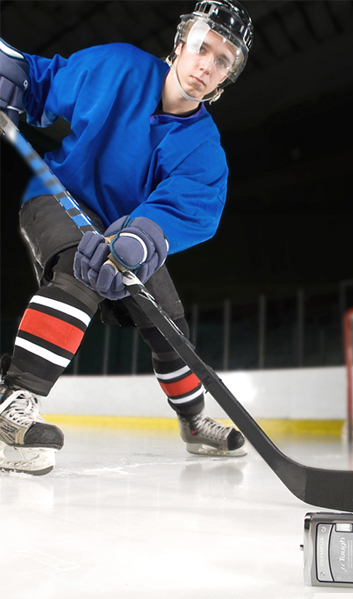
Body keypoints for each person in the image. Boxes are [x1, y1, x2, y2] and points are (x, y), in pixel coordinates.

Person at [0, 1, 254, 474]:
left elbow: (184, 208)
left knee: (168, 319)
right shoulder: (118, 67)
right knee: (80, 268)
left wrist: (138, 241)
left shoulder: (203, 149)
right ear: (181, 44)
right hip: (58, 195)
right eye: (202, 48)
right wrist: (14, 78)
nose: (206, 65)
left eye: (222, 60)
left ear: (227, 76)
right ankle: (15, 401)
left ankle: (194, 422)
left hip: (124, 229)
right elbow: (44, 83)